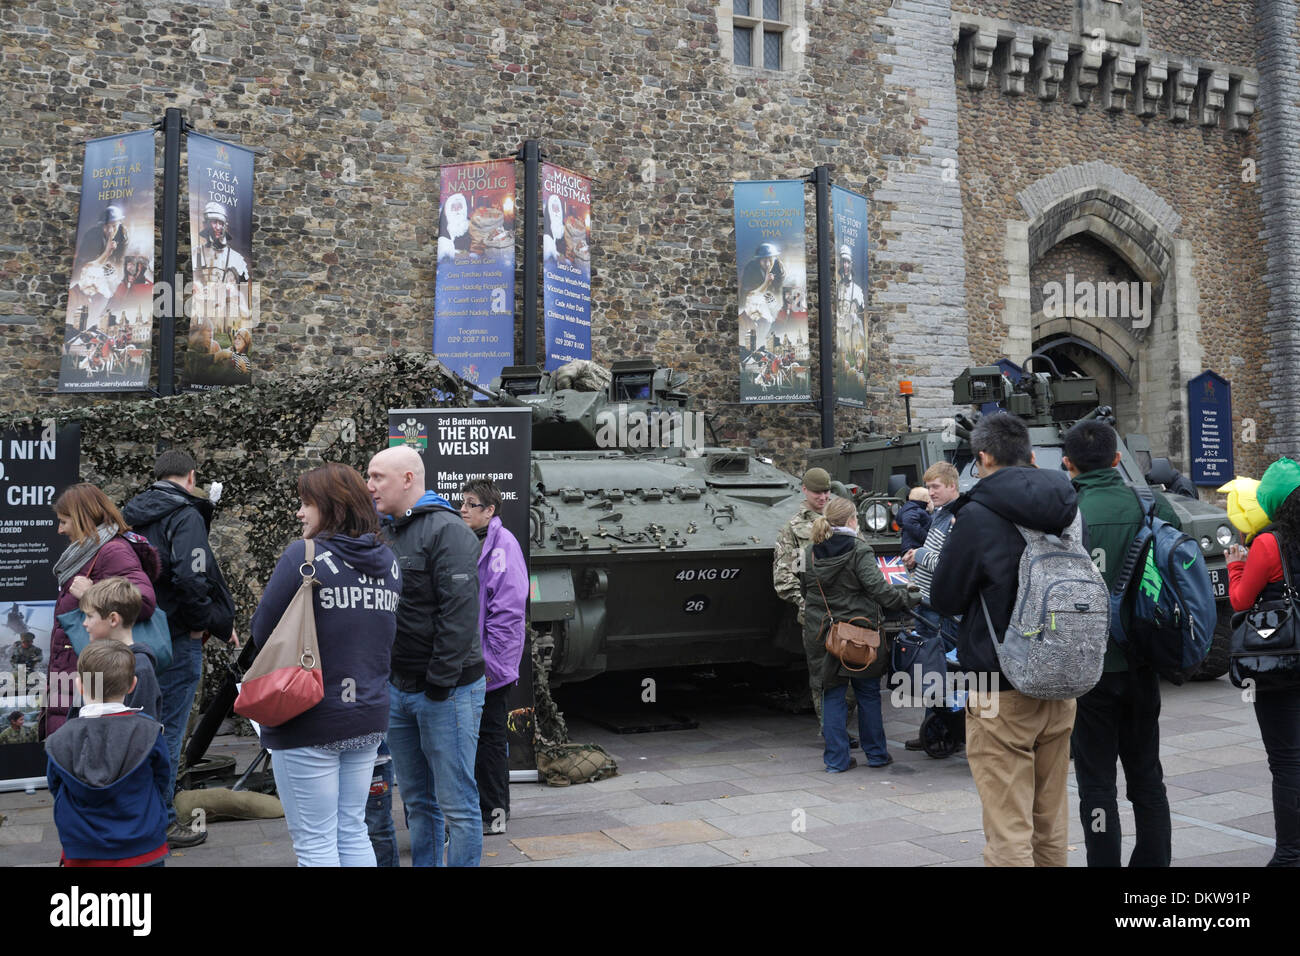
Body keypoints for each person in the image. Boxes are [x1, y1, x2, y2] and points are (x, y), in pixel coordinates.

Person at [930, 413, 1080, 867]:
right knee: (1051, 818)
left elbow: (944, 596)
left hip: (1000, 688)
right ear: (1032, 456)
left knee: (1007, 827)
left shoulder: (976, 517)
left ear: (983, 457)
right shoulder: (1070, 509)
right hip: (1061, 679)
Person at [250, 463, 400, 867]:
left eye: (307, 503)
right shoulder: (388, 561)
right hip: (368, 714)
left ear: (331, 506)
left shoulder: (306, 555)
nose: (300, 512)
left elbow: (263, 630)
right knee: (352, 828)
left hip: (308, 714)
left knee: (315, 844)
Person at [1063, 420, 1180, 868]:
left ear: (1068, 464)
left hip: (1086, 667)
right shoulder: (1150, 503)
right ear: (1117, 459)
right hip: (1142, 659)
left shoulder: (1064, 512)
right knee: (1147, 777)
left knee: (1096, 785)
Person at [366, 446, 484, 867]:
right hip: (398, 689)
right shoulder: (384, 531)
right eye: (369, 476)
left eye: (379, 477)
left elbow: (459, 613)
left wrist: (438, 684)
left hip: (447, 692)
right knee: (417, 803)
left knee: (458, 806)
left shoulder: (448, 531)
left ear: (409, 480)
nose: (370, 485)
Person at [122, 449, 236, 849]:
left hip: (135, 637)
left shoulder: (129, 515)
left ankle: (137, 817)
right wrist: (202, 623)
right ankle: (164, 823)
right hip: (175, 638)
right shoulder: (185, 514)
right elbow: (193, 577)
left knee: (138, 727)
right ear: (191, 477)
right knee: (168, 732)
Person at [801, 496, 918, 771]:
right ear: (852, 520)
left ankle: (836, 760)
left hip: (824, 633)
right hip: (860, 634)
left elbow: (806, 587)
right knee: (867, 693)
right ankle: (876, 755)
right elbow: (879, 590)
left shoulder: (811, 551)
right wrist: (909, 598)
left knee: (832, 694)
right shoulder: (859, 550)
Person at [1226, 456, 1300, 866]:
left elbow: (1240, 599)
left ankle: (1290, 853)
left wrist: (1237, 563)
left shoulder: (1269, 543)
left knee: (1287, 760)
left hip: (1283, 663)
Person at [44, 483, 158, 740]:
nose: (59, 529)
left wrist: (90, 594)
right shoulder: (88, 551)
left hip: (94, 674)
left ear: (83, 518)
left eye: (64, 521)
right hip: (76, 670)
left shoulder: (113, 550)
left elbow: (144, 600)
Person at [45, 641, 169, 867]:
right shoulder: (149, 732)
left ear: (79, 686)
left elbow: (56, 785)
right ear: (132, 685)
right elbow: (161, 778)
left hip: (83, 847)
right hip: (143, 842)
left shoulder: (59, 740)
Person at [460, 479, 528, 835]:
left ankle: (493, 814)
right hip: (468, 663)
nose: (464, 509)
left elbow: (508, 612)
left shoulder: (503, 545)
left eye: (472, 504)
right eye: (463, 502)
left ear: (491, 510)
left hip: (489, 668)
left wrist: (494, 666)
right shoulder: (468, 541)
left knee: (489, 739)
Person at [773, 467, 856, 738]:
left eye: (826, 492)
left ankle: (842, 725)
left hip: (852, 611)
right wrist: (804, 604)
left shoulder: (843, 518)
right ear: (805, 490)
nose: (823, 497)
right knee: (823, 676)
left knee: (857, 671)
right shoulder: (794, 529)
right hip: (818, 614)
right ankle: (832, 732)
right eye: (817, 492)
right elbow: (784, 575)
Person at [902, 461, 963, 752]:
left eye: (935, 487)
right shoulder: (939, 514)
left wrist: (922, 554)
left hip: (941, 610)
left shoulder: (957, 518)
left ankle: (942, 730)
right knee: (932, 669)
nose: (930, 492)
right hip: (928, 604)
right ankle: (935, 728)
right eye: (928, 487)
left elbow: (951, 567)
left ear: (952, 485)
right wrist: (916, 555)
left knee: (938, 669)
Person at [81, 577, 162, 721]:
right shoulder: (93, 660)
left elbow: (143, 728)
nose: (84, 623)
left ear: (113, 619)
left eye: (89, 616)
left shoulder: (140, 667)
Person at [898, 486, 932, 553]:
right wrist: (926, 537)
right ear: (926, 501)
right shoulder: (913, 510)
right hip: (913, 547)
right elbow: (909, 522)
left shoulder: (912, 509)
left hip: (913, 546)